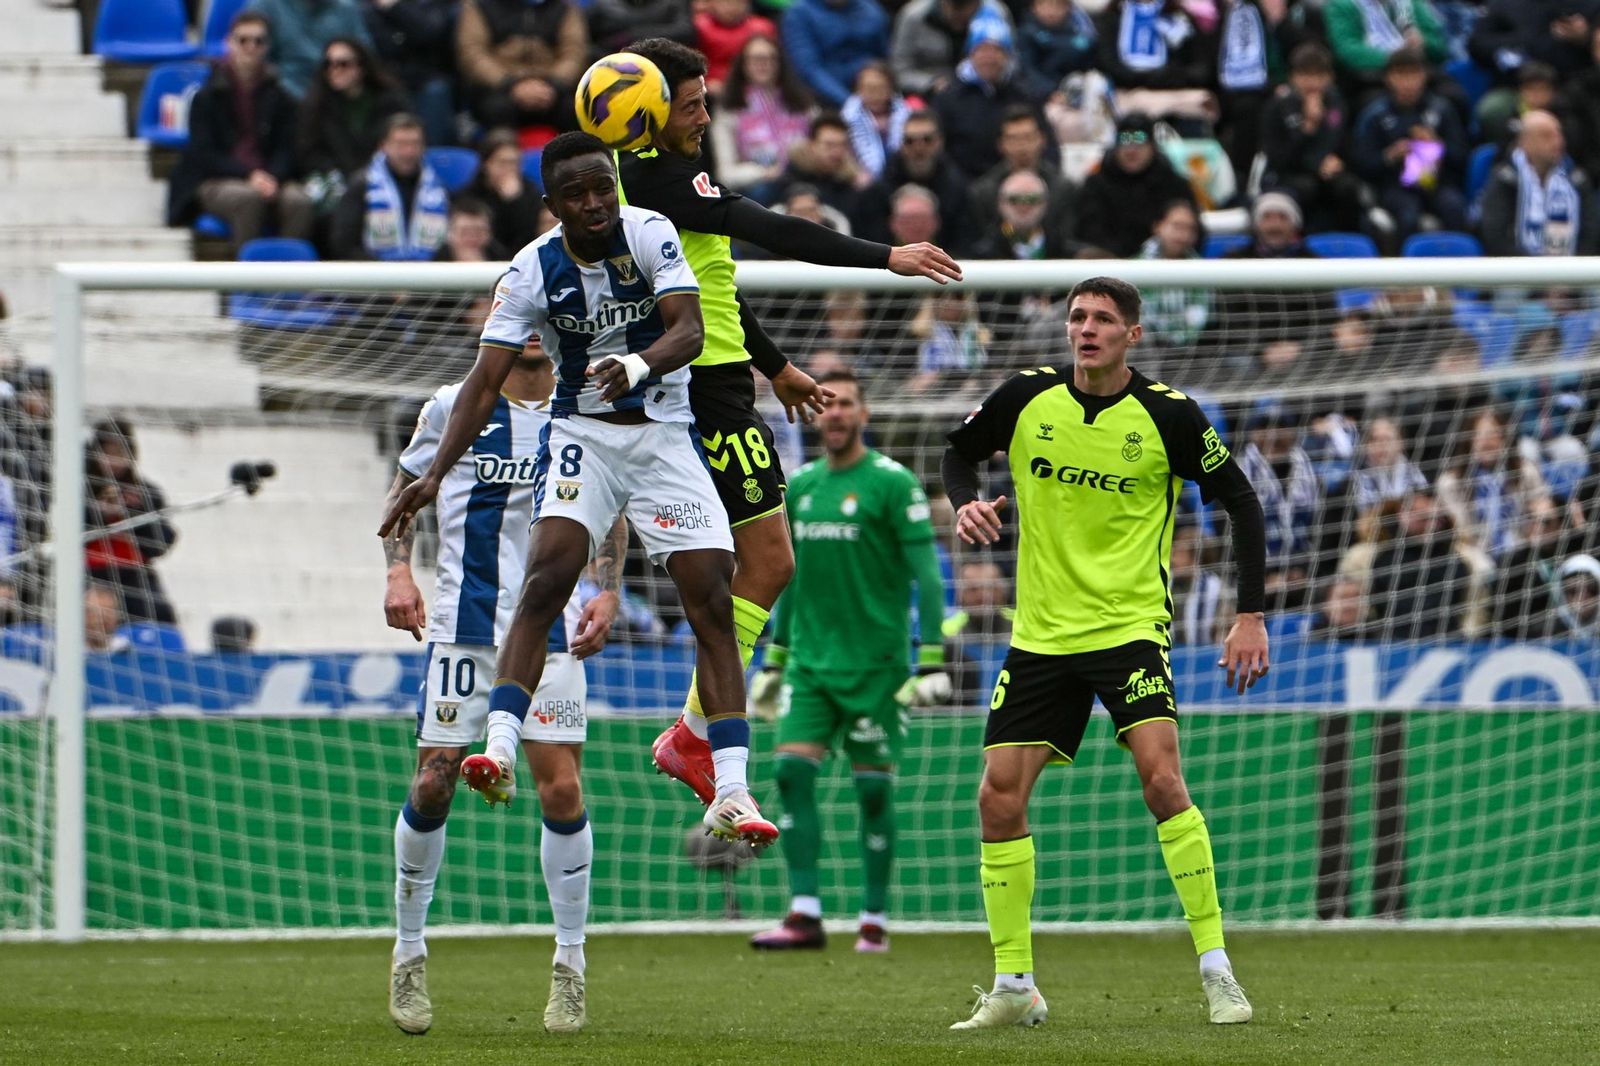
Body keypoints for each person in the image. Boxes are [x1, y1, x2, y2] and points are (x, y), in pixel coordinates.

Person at [378, 132, 780, 852]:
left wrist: (636, 364)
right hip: (582, 437)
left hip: (661, 433)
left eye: (604, 187)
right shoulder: (530, 271)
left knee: (713, 596)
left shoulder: (651, 232)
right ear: (552, 205)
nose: (595, 202)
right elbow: (481, 382)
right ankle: (498, 745)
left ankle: (731, 787)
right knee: (546, 579)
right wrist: (433, 475)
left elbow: (689, 332)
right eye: (577, 194)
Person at [614, 38, 961, 806]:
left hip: (720, 374)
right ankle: (692, 733)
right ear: (650, 107)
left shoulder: (636, 178)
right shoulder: (658, 178)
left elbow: (710, 282)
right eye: (693, 103)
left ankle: (694, 733)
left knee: (742, 567)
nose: (705, 116)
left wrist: (773, 365)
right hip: (708, 389)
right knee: (767, 565)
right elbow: (777, 231)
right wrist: (886, 257)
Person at [940, 275, 1267, 1029]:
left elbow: (1242, 502)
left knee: (1161, 781)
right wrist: (964, 504)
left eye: (1103, 320)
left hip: (1128, 630)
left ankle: (1218, 971)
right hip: (1041, 635)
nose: (1087, 330)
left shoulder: (1168, 415)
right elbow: (959, 453)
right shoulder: (1025, 397)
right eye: (1078, 317)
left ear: (1133, 335)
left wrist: (1249, 614)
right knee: (997, 797)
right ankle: (1015, 985)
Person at [379, 340, 624, 1036]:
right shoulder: (453, 406)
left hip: (549, 628)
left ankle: (570, 966)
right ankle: (408, 950)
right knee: (433, 782)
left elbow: (610, 507)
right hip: (463, 627)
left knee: (562, 789)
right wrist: (398, 572)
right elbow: (405, 489)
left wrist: (606, 589)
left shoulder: (583, 408)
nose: (532, 329)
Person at [744, 368, 948, 953]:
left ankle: (874, 918)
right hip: (809, 664)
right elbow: (788, 578)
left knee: (873, 794)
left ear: (864, 414)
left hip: (875, 666)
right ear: (813, 413)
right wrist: (775, 660)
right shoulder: (801, 486)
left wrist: (931, 658)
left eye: (845, 405)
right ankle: (804, 913)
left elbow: (928, 575)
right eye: (825, 404)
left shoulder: (892, 483)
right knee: (789, 773)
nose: (833, 414)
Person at [166, 12, 314, 252]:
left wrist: (272, 177)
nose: (251, 47)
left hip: (270, 177)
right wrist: (250, 175)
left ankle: (289, 281)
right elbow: (203, 154)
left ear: (267, 47)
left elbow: (288, 150)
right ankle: (245, 283)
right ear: (229, 44)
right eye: (243, 40)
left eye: (258, 41)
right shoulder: (207, 97)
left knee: (299, 201)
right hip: (217, 179)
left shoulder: (282, 98)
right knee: (247, 199)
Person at [1350, 47, 1469, 241]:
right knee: (1408, 214)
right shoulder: (1375, 115)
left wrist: (1438, 147)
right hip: (1394, 187)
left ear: (1424, 76)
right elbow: (1362, 164)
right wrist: (1390, 156)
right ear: (1388, 78)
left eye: (1413, 74)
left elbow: (1462, 157)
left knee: (1454, 207)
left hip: (1437, 184)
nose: (1407, 83)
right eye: (1401, 75)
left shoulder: (1442, 110)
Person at [932, 14, 1051, 181]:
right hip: (966, 184)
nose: (989, 57)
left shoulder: (1025, 95)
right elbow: (940, 152)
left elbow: (1048, 146)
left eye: (997, 50)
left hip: (1020, 182)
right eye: (982, 50)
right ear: (971, 54)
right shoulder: (948, 99)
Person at [295, 37, 409, 212]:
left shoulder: (390, 103)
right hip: (335, 178)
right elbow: (309, 152)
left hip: (381, 177)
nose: (335, 70)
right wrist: (338, 173)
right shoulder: (316, 107)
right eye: (329, 64)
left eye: (343, 64)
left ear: (361, 67)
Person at [330, 113, 452, 260]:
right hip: (373, 277)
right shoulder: (362, 185)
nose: (409, 152)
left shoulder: (438, 189)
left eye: (415, 144)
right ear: (383, 146)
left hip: (428, 277)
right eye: (401, 144)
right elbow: (344, 244)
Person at [1478, 110, 1600, 257]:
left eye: (1559, 134)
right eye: (1546, 136)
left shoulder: (1577, 180)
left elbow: (1591, 232)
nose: (1558, 141)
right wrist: (1536, 271)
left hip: (1571, 273)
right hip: (1516, 274)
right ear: (1524, 142)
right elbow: (1496, 236)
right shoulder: (1505, 179)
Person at [707, 34, 816, 195]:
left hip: (806, 178)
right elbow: (726, 173)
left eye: (770, 58)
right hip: (760, 186)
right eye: (756, 59)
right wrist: (764, 173)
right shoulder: (729, 108)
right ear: (743, 65)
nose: (763, 64)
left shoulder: (802, 102)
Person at [1074, 113, 1195, 256]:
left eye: (1139, 140)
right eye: (1124, 140)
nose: (1131, 149)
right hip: (1109, 266)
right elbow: (1087, 233)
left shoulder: (1174, 184)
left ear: (1152, 146)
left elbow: (1194, 230)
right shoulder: (1096, 185)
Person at [456, 0, 587, 132]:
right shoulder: (479, 7)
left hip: (552, 89)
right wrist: (511, 84)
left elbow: (574, 53)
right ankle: (502, 150)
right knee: (497, 110)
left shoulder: (565, 8)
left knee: (574, 109)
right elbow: (473, 54)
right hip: (499, 89)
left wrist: (552, 84)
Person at [248, 0, 375, 99]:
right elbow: (249, 54)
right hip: (284, 98)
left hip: (337, 99)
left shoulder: (347, 8)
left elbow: (367, 57)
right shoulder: (266, 6)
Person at [780, 0, 892, 109]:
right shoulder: (799, 13)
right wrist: (849, 102)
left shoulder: (871, 9)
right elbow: (809, 69)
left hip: (872, 93)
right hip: (825, 98)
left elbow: (883, 58)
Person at [891, 0, 1010, 98]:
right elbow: (899, 70)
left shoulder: (996, 12)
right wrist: (930, 84)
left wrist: (992, 75)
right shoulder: (914, 17)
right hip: (929, 95)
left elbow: (1013, 61)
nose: (959, 16)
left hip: (986, 91)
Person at [465, 128, 543, 253]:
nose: (510, 169)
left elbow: (530, 238)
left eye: (515, 163)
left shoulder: (531, 192)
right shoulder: (470, 195)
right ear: (486, 164)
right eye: (503, 163)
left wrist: (515, 202)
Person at [695, 0, 778, 94]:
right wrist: (705, 82)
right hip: (712, 87)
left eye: (738, 2)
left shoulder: (763, 28)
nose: (731, 7)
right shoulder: (699, 27)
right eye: (725, 2)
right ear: (711, 3)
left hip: (754, 87)